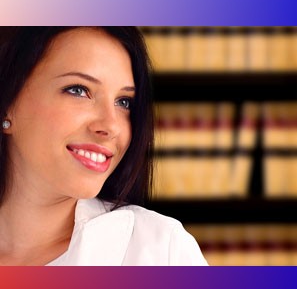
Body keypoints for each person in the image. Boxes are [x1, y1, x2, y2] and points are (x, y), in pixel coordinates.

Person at [0, 27, 207, 265]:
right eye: (78, 90)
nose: (111, 126)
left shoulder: (160, 251)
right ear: (7, 103)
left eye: (124, 102)